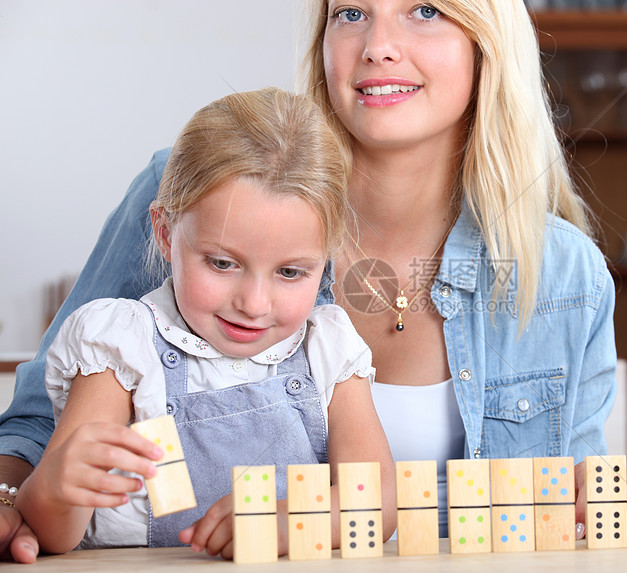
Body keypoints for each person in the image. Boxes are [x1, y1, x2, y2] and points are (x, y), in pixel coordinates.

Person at [0, 0, 627, 562]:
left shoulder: (561, 271)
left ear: (486, 41)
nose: (377, 45)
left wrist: (606, 500)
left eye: (426, 10)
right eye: (350, 14)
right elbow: (34, 431)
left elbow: (581, 485)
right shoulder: (207, 196)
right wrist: (13, 498)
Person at [11, 87, 396, 558]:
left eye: (291, 272)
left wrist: (299, 520)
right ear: (165, 231)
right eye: (221, 263)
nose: (254, 304)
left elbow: (378, 503)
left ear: (327, 259)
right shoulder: (121, 346)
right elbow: (52, 534)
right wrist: (53, 489)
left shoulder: (327, 348)